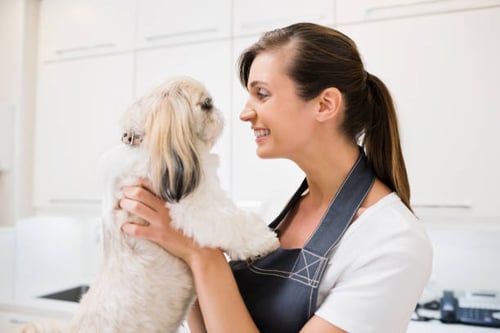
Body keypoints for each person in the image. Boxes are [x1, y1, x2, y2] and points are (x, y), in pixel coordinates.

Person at [120, 22, 433, 333]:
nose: (245, 113)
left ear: (325, 105)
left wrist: (201, 254)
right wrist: (178, 240)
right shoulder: (276, 206)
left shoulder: (392, 242)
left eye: (262, 94)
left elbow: (205, 261)